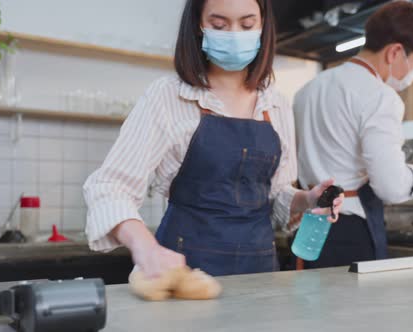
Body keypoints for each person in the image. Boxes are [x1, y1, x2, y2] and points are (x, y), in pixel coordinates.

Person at [83, 0, 344, 277]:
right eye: (219, 25)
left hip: (259, 277)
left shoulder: (276, 105)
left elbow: (273, 196)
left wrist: (307, 199)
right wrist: (146, 248)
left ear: (263, 25)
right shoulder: (168, 97)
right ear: (199, 26)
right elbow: (110, 187)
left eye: (246, 25)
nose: (233, 34)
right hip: (182, 274)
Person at [293, 1, 413, 269]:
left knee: (314, 308)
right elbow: (391, 187)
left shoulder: (308, 90)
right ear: (395, 52)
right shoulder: (380, 97)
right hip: (350, 230)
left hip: (310, 227)